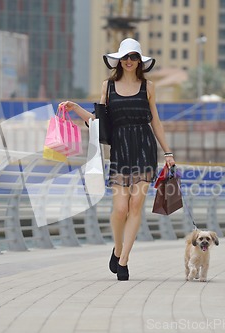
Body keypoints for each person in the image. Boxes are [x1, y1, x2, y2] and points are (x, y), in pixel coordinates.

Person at [60, 38, 175, 281]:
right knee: (120, 209)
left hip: (144, 147)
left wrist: (168, 153)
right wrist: (75, 108)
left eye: (134, 57)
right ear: (119, 61)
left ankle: (123, 261)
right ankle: (117, 248)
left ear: (140, 61)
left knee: (135, 206)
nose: (129, 61)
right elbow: (99, 120)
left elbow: (155, 121)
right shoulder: (108, 87)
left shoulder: (149, 87)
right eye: (125, 57)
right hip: (121, 149)